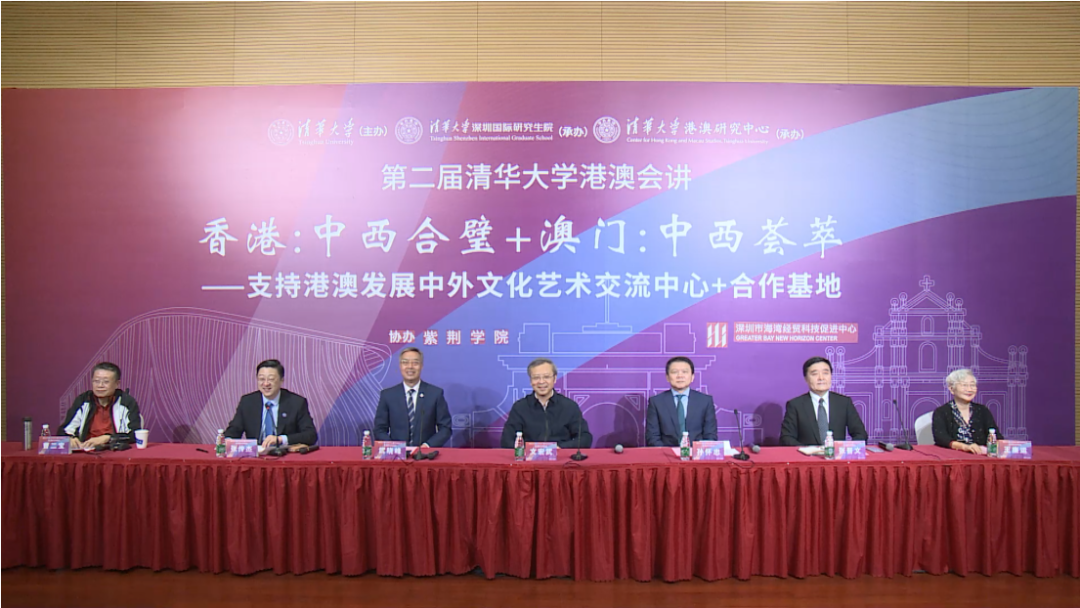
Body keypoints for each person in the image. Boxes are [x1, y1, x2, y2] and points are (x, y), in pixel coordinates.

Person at [500, 358, 592, 449]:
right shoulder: (520, 407)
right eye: (536, 377)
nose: (541, 382)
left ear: (554, 379)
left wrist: (559, 448)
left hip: (561, 456)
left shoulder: (569, 406)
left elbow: (585, 438)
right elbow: (507, 440)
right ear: (530, 381)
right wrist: (529, 450)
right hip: (529, 457)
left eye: (546, 377)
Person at [224, 359, 317, 449]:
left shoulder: (296, 402)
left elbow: (310, 435)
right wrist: (226, 440)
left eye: (271, 379)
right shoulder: (247, 402)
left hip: (284, 454)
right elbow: (234, 430)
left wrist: (280, 439)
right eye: (261, 379)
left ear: (281, 380)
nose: (266, 384)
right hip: (256, 455)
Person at [373, 347, 452, 447]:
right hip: (396, 453)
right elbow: (379, 429)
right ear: (400, 366)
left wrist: (428, 445)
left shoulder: (435, 394)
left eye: (415, 363)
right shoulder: (387, 395)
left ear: (421, 366)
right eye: (405, 362)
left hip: (425, 453)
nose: (410, 366)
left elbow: (445, 428)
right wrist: (393, 447)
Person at [780, 356, 868, 446]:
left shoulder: (844, 403)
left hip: (837, 454)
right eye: (815, 374)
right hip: (807, 454)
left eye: (825, 373)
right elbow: (787, 437)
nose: (821, 378)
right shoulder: (795, 405)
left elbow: (860, 434)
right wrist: (808, 450)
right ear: (806, 379)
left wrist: (846, 449)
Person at [60, 362, 142, 450]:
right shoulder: (83, 400)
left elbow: (135, 434)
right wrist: (70, 438)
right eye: (96, 381)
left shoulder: (126, 402)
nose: (100, 385)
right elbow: (64, 431)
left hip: (114, 450)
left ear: (117, 384)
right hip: (86, 450)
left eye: (106, 382)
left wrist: (108, 438)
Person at [645, 356, 718, 447]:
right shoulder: (656, 402)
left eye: (684, 372)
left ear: (692, 377)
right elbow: (652, 437)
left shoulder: (705, 401)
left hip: (696, 453)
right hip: (667, 453)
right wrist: (669, 453)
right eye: (674, 372)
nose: (680, 376)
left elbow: (710, 435)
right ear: (667, 377)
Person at [932, 368, 1002, 454]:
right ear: (952, 389)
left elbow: (996, 436)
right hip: (952, 455)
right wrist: (965, 447)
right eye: (964, 385)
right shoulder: (941, 412)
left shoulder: (983, 410)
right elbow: (941, 438)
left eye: (972, 385)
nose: (969, 389)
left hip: (980, 455)